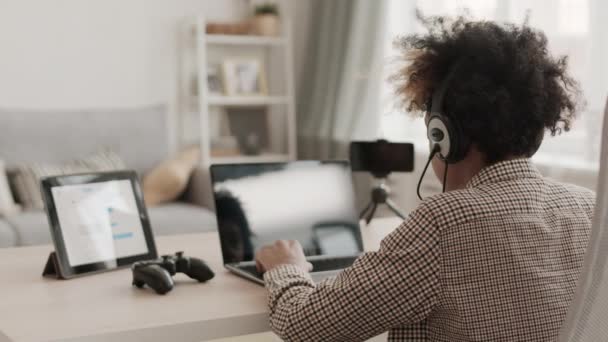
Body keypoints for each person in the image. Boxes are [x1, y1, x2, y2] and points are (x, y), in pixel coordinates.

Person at [254, 14, 596, 341]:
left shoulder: (443, 222)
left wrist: (286, 268)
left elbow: (305, 326)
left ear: (443, 134)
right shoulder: (591, 208)